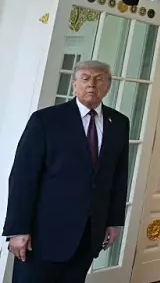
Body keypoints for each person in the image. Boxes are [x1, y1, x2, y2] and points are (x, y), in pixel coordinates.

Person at [3, 60, 130, 282]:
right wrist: (18, 229)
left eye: (99, 79)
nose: (92, 84)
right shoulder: (46, 120)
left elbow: (119, 176)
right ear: (74, 84)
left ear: (108, 86)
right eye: (85, 78)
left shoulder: (119, 123)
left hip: (88, 233)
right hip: (43, 234)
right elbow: (23, 178)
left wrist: (113, 221)